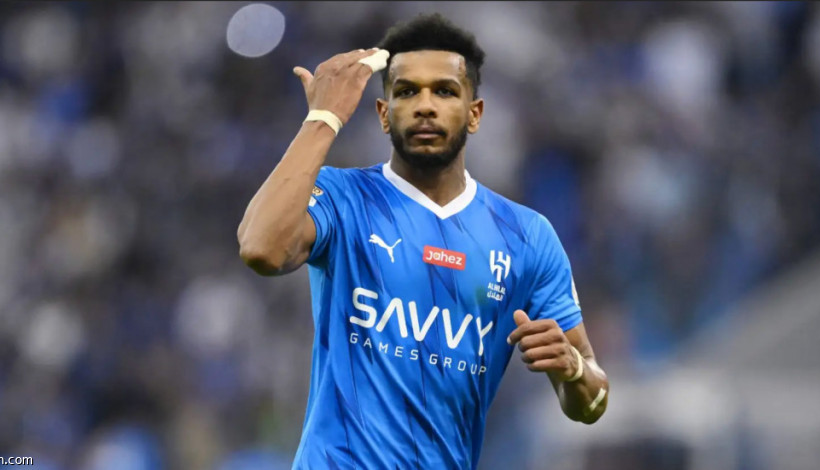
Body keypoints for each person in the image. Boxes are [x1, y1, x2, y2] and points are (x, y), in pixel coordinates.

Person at [237, 13, 609, 469]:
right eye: (407, 91)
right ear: (383, 113)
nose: (425, 106)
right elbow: (261, 248)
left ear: (475, 114)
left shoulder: (527, 236)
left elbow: (592, 403)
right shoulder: (343, 197)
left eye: (445, 91)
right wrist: (322, 118)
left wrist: (573, 368)